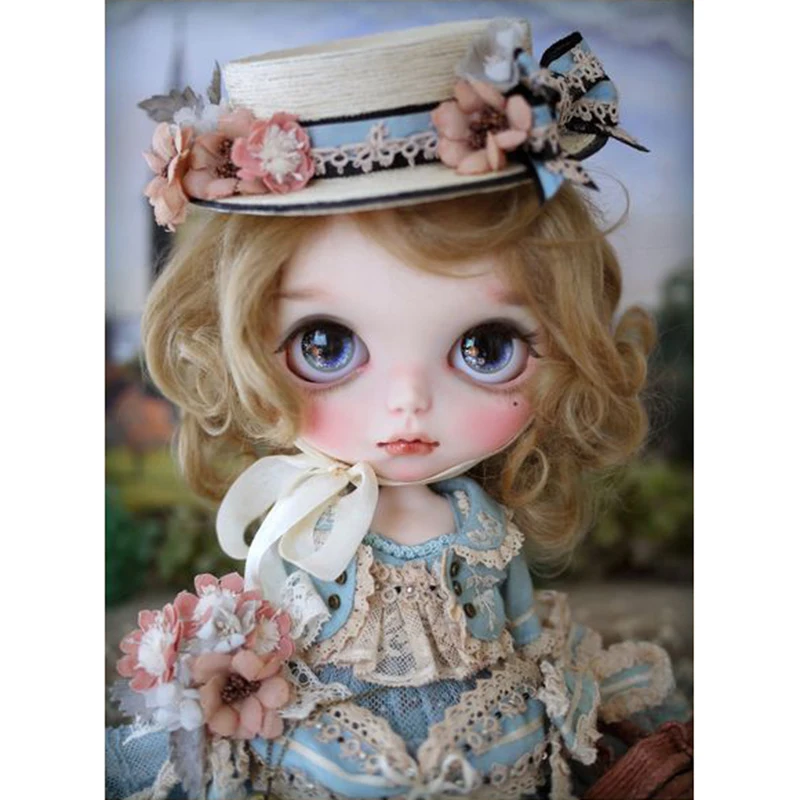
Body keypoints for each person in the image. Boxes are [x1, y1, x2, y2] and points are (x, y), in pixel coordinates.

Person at [107, 18, 691, 800]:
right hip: (330, 731)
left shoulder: (479, 523)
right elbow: (276, 627)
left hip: (492, 726)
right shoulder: (307, 524)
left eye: (486, 347)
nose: (408, 404)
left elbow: (524, 629)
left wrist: (553, 678)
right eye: (324, 346)